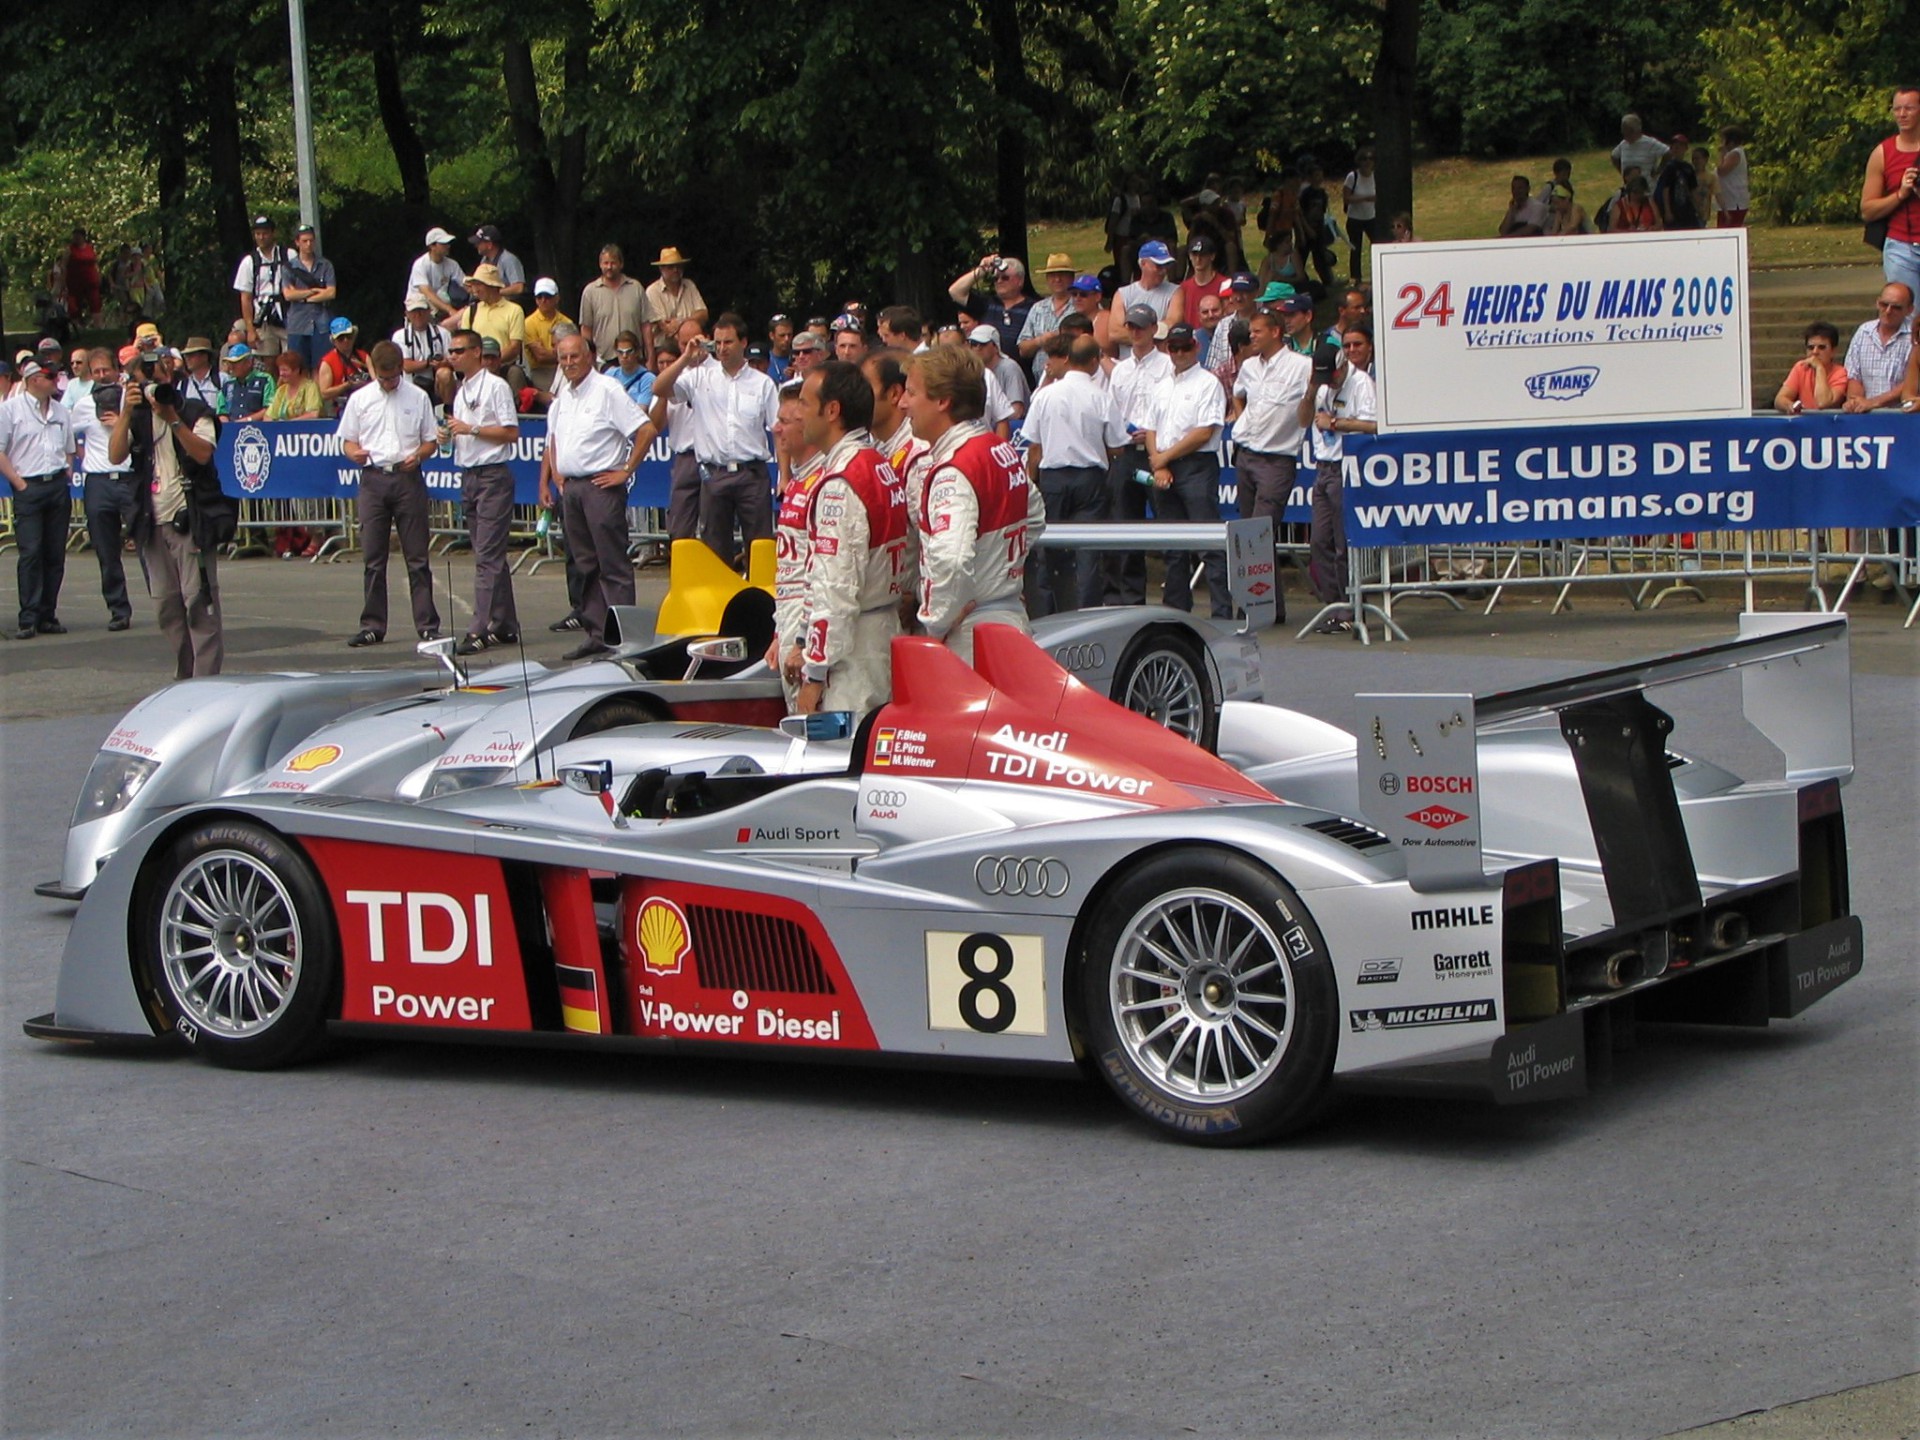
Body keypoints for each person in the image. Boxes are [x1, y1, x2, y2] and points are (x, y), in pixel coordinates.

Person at [903, 346, 1045, 662]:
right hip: (1008, 619)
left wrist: (935, 627)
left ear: (943, 401)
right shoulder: (999, 449)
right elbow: (1034, 517)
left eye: (912, 393)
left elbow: (951, 562)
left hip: (970, 635)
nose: (903, 402)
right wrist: (1000, 571)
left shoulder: (955, 468)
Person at [790, 361, 909, 714]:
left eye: (804, 403)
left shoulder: (842, 481)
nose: (798, 413)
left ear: (832, 411)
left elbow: (835, 588)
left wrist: (814, 674)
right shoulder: (878, 463)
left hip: (853, 649)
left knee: (843, 759)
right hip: (882, 629)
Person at [104, 365, 225, 673]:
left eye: (160, 383)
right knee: (166, 604)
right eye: (150, 385)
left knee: (198, 599)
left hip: (190, 518)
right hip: (151, 519)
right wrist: (127, 413)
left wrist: (172, 418)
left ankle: (206, 678)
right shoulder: (140, 418)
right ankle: (185, 673)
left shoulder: (196, 412)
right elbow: (115, 455)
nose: (156, 392)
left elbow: (202, 454)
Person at [540, 333, 653, 659]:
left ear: (589, 356)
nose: (569, 363)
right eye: (563, 358)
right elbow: (553, 439)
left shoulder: (608, 390)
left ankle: (626, 637)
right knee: (584, 565)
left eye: (574, 356)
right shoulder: (563, 397)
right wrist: (555, 477)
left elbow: (644, 429)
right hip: (572, 488)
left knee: (612, 563)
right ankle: (596, 632)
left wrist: (626, 470)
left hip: (602, 486)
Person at [335, 341, 441, 647]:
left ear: (401, 369)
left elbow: (431, 441)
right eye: (382, 378)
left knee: (417, 557)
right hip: (373, 477)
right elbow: (347, 440)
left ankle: (426, 624)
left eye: (393, 377)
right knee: (373, 557)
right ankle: (372, 624)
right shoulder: (361, 399)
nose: (388, 383)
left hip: (407, 476)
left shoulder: (418, 397)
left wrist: (419, 455)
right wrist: (354, 452)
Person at [653, 312, 780, 564]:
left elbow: (778, 429)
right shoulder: (698, 377)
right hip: (714, 474)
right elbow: (659, 388)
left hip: (751, 474)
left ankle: (760, 599)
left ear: (743, 342)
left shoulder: (762, 384)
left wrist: (784, 474)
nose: (722, 349)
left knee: (759, 545)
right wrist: (685, 357)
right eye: (718, 343)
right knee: (715, 548)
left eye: (728, 342)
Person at [1021, 335, 1120, 614]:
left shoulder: (1045, 395)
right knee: (1087, 550)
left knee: (1047, 547)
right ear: (1092, 361)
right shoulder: (1101, 396)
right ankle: (1086, 614)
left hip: (1052, 477)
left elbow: (1034, 446)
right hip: (1090, 479)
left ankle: (1045, 614)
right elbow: (1116, 446)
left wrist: (1033, 480)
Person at [1229, 308, 1313, 623]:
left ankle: (1249, 606)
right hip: (1246, 454)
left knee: (1258, 531)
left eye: (1257, 331)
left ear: (1275, 332)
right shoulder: (1249, 367)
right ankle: (1269, 606)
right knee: (1252, 531)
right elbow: (1238, 394)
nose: (1251, 336)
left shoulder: (1301, 366)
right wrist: (1242, 418)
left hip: (1278, 459)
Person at [1141, 325, 1230, 619]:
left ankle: (1222, 612)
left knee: (1209, 542)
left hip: (1196, 466)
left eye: (1184, 347)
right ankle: (1176, 610)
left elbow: (1204, 432)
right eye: (1173, 347)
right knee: (1172, 542)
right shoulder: (1162, 385)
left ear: (1197, 347)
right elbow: (1151, 427)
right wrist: (1159, 462)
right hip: (1164, 465)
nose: (1178, 353)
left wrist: (1163, 457)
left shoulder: (1208, 383)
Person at [443, 327, 523, 653]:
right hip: (469, 473)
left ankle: (479, 628)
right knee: (486, 552)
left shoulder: (496, 386)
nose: (454, 356)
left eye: (460, 350)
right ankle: (504, 621)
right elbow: (464, 432)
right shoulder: (462, 391)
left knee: (486, 556)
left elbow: (510, 431)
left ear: (476, 352)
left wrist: (471, 428)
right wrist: (450, 436)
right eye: (452, 351)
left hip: (492, 475)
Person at [1297, 337, 1377, 634]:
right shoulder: (1320, 386)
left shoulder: (1361, 384)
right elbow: (1304, 421)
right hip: (1323, 468)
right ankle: (1335, 607)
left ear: (1341, 367)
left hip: (1347, 467)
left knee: (1344, 544)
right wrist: (1310, 392)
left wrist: (1338, 424)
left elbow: (1374, 425)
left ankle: (1352, 606)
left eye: (1330, 377)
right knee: (1319, 542)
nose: (1327, 383)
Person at [1, 359, 79, 638]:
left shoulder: (60, 411)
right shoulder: (10, 410)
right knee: (31, 552)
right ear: (34, 379)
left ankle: (48, 613)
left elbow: (69, 445)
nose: (55, 382)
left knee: (54, 552)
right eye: (50, 377)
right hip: (29, 485)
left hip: (56, 483)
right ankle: (29, 616)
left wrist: (67, 470)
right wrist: (19, 483)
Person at [1103, 302, 1173, 606]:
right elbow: (1112, 409)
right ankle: (1132, 599)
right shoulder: (1120, 371)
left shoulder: (1169, 365)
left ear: (1154, 329)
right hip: (1128, 453)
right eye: (1131, 326)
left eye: (1141, 327)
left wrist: (1155, 433)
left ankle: (1174, 596)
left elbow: (1173, 408)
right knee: (1126, 525)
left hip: (1158, 453)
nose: (1135, 332)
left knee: (1167, 523)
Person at [769, 382, 826, 707]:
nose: (776, 428)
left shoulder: (825, 482)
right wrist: (780, 633)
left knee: (810, 724)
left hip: (810, 626)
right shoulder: (796, 482)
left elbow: (823, 573)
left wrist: (803, 640)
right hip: (789, 617)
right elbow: (790, 567)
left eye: (785, 421)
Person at [70, 351, 137, 630]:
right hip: (98, 480)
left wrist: (123, 422)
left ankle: (165, 603)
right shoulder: (85, 405)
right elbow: (67, 434)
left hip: (129, 476)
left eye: (105, 370)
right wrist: (78, 454)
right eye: (95, 372)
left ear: (115, 369)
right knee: (107, 551)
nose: (101, 376)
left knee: (148, 544)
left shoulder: (130, 400)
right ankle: (118, 609)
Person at [1862, 86, 1920, 295]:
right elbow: (1867, 210)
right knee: (1905, 314)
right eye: (1897, 109)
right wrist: (1900, 194)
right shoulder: (1883, 153)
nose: (1902, 115)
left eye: (1909, 108)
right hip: (1901, 245)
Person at [1841, 283, 1914, 413]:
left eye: (1896, 307)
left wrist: (1874, 403)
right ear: (1877, 303)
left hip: (1902, 416)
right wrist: (1855, 401)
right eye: (1884, 305)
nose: (1888, 311)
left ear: (1909, 310)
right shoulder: (1864, 332)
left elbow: (1913, 381)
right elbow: (1853, 375)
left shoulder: (1915, 337)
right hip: (1866, 415)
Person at [232, 215, 296, 358]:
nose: (261, 237)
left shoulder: (289, 255)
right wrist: (250, 329)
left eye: (265, 233)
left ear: (273, 233)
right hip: (263, 318)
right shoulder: (249, 262)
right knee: (267, 361)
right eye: (258, 234)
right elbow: (246, 298)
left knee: (292, 359)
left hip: (288, 315)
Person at [947, 253, 1034, 357]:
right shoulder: (987, 303)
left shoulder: (1033, 307)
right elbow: (955, 291)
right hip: (989, 368)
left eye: (1005, 278)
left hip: (1021, 370)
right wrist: (981, 270)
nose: (999, 281)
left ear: (1020, 281)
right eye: (995, 278)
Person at [578, 244, 653, 364]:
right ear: (600, 265)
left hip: (634, 358)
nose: (609, 267)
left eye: (613, 263)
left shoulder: (636, 288)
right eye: (605, 263)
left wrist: (651, 357)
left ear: (621, 264)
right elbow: (586, 329)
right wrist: (589, 359)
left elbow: (646, 326)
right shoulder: (590, 292)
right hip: (603, 361)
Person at [281, 224, 337, 374]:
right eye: (305, 241)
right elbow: (288, 294)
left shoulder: (325, 265)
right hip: (298, 323)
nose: (308, 244)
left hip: (321, 323)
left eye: (311, 241)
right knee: (298, 367)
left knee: (320, 366)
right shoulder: (288, 267)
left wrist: (301, 295)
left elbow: (331, 292)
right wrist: (312, 292)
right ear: (297, 242)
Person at [1016, 254, 1078, 379]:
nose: (1057, 279)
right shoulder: (1037, 308)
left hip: (1071, 377)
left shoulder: (1081, 305)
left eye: (1062, 274)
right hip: (1040, 380)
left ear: (1072, 278)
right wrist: (1040, 341)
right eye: (1052, 275)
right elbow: (1023, 349)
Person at [1111, 239, 1184, 337]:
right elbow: (1114, 332)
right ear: (1143, 264)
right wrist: (1152, 334)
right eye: (1158, 266)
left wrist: (1134, 333)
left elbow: (1172, 323)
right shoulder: (1123, 294)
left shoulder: (1175, 292)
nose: (1163, 271)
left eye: (1166, 266)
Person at [1774, 323, 1849, 414]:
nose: (1815, 352)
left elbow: (1823, 403)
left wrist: (1819, 368)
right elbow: (1779, 399)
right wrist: (1791, 406)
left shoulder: (1841, 373)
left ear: (1833, 351)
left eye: (1821, 347)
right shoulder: (1800, 367)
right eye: (1810, 347)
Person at [393, 298, 455, 405]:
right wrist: (429, 362)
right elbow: (406, 366)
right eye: (414, 311)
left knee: (445, 373)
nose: (418, 314)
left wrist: (443, 363)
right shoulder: (400, 336)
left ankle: (447, 411)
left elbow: (454, 361)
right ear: (407, 314)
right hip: (412, 385)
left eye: (421, 310)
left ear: (429, 311)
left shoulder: (443, 333)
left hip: (436, 384)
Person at [966, 325, 1030, 423]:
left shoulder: (1009, 367)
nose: (977, 348)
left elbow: (1017, 411)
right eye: (973, 344)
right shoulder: (974, 370)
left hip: (1016, 427)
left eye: (982, 344)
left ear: (995, 347)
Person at [523, 278, 572, 401]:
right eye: (539, 297)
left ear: (557, 298)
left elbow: (570, 352)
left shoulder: (567, 322)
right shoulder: (528, 323)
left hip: (564, 366)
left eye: (548, 296)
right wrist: (558, 353)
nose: (543, 300)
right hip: (539, 371)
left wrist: (548, 352)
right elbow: (540, 357)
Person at [645, 248, 707, 344]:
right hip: (665, 347)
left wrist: (680, 321)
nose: (676, 270)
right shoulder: (652, 291)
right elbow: (667, 328)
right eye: (671, 267)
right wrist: (691, 320)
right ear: (661, 269)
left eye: (679, 266)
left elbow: (704, 314)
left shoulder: (689, 285)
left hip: (692, 342)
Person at [405, 227, 466, 324]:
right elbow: (427, 292)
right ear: (432, 246)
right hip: (420, 309)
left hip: (441, 309)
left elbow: (464, 283)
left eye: (448, 243)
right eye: (443, 244)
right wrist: (449, 310)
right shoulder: (420, 264)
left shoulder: (452, 264)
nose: (448, 246)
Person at [317, 319, 372, 416]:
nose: (346, 341)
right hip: (341, 408)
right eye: (341, 338)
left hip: (366, 404)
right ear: (334, 341)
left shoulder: (364, 356)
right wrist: (347, 385)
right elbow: (324, 393)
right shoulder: (328, 362)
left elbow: (376, 381)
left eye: (349, 336)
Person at [1342, 147, 1379, 280]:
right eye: (1364, 159)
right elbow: (1347, 198)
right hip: (1355, 219)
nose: (1367, 162)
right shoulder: (1353, 176)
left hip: (1371, 217)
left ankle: (1378, 273)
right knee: (1356, 249)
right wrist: (1365, 199)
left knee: (1377, 245)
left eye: (1370, 159)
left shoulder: (1376, 176)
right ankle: (1356, 278)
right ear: (1359, 161)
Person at [1652, 135, 1702, 230]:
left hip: (1687, 209)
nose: (1677, 149)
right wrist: (1667, 211)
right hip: (1673, 208)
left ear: (1685, 149)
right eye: (1674, 147)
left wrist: (1698, 207)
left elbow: (1693, 189)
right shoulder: (1669, 167)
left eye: (1680, 146)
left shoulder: (1688, 168)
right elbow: (1665, 189)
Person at [468, 225, 525, 303]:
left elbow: (518, 288)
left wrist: (494, 293)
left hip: (507, 305)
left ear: (489, 245)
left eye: (479, 243)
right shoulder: (484, 260)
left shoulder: (509, 259)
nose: (476, 245)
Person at [220, 342, 275, 421]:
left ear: (249, 363)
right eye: (230, 363)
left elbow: (270, 409)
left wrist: (247, 420)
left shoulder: (265, 379)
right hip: (232, 429)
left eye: (235, 363)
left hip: (258, 429)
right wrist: (227, 425)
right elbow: (222, 412)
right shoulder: (227, 385)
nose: (231, 367)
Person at [266, 349, 323, 420]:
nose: (281, 374)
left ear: (296, 370)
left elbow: (313, 414)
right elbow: (268, 416)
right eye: (280, 370)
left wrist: (289, 424)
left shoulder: (310, 387)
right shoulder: (281, 390)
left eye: (285, 370)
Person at [1611, 114, 1670, 183]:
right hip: (1629, 189)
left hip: (1648, 188)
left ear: (1636, 131)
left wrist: (1659, 170)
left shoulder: (1649, 143)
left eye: (1629, 133)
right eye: (1624, 133)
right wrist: (1623, 172)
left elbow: (1668, 153)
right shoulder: (1623, 144)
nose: (1626, 136)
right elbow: (1614, 156)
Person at [607, 329, 655, 405]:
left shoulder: (648, 378)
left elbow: (641, 411)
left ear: (637, 352)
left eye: (629, 351)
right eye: (620, 352)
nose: (624, 356)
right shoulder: (610, 375)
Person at [1716, 127, 1751, 228]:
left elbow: (1722, 171)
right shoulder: (1734, 153)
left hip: (1734, 202)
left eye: (1722, 140)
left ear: (1730, 142)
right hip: (1729, 201)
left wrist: (1721, 155)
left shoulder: (1735, 153)